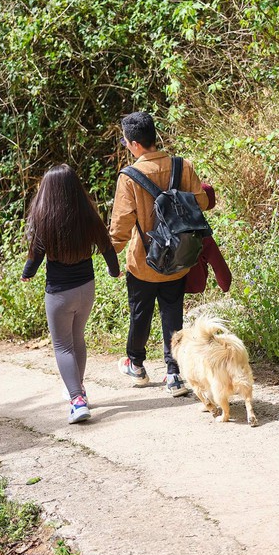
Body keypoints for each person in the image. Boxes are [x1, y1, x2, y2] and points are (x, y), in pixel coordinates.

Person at [110, 112, 209, 397]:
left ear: (135, 144)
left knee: (140, 313)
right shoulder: (183, 166)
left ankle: (137, 366)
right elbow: (201, 201)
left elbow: (122, 223)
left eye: (126, 142)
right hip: (179, 258)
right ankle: (174, 374)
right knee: (172, 313)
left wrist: (109, 253)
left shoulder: (129, 177)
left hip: (144, 261)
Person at [21, 164, 120, 424]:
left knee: (63, 346)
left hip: (59, 294)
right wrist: (114, 270)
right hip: (86, 288)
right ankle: (78, 387)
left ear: (48, 191)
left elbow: (36, 253)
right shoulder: (87, 213)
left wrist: (28, 273)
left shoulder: (43, 217)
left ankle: (77, 400)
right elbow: (106, 246)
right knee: (77, 339)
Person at [185, 183, 232, 295]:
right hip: (192, 284)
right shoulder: (201, 233)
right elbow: (219, 266)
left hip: (161, 283)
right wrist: (225, 286)